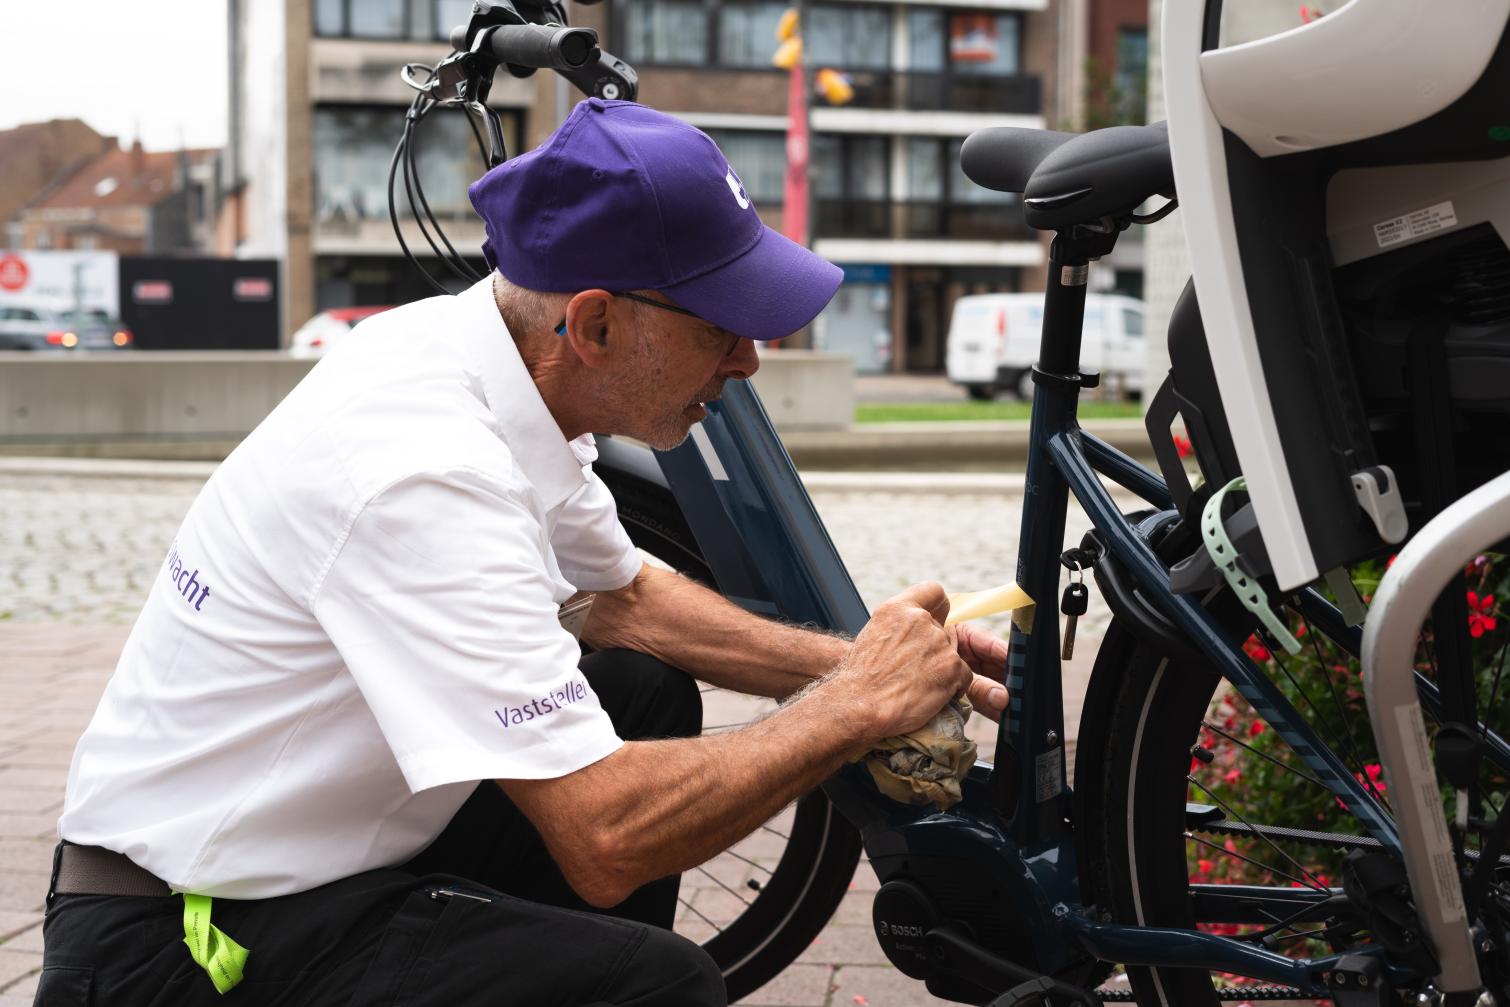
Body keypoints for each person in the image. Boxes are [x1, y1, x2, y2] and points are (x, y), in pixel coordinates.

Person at [37, 99, 1011, 1006]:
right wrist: (854, 705)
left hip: (302, 855)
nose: (747, 357)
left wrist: (857, 661)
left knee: (639, 689)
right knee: (656, 985)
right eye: (720, 326)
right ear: (593, 323)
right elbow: (605, 834)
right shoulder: (424, 473)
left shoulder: (485, 361)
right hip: (180, 938)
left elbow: (624, 598)